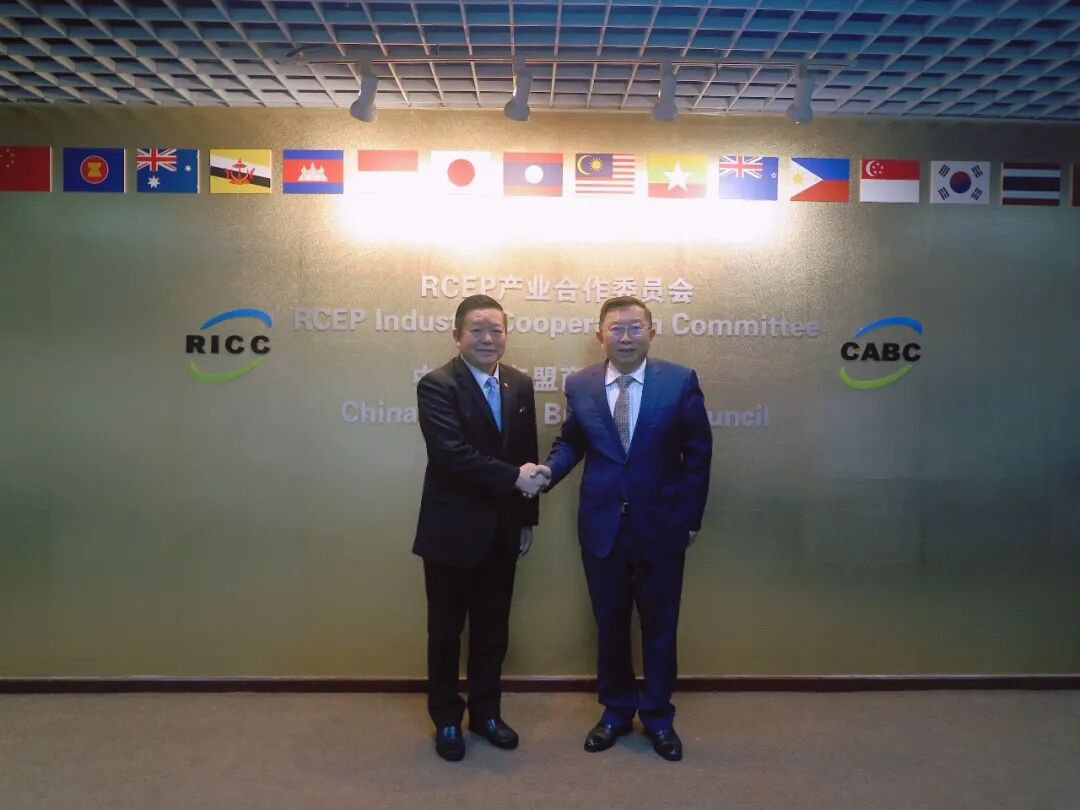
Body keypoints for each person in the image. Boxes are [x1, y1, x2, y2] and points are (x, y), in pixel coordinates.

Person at [537, 295, 712, 761]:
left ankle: (657, 717)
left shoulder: (679, 381)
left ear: (652, 333)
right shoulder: (580, 384)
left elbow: (698, 455)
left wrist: (691, 518)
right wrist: (548, 472)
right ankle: (615, 711)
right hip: (602, 525)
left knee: (660, 626)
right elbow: (571, 443)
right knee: (610, 624)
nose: (626, 337)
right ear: (601, 336)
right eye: (617, 328)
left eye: (636, 327)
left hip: (662, 525)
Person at [413, 294, 547, 762]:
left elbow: (526, 454)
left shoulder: (519, 384)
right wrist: (513, 479)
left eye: (496, 330)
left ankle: (487, 713)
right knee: (446, 632)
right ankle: (447, 718)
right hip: (451, 531)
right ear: (457, 336)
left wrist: (526, 517)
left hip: (503, 529)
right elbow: (450, 454)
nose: (488, 338)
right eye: (477, 330)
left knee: (493, 630)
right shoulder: (437, 385)